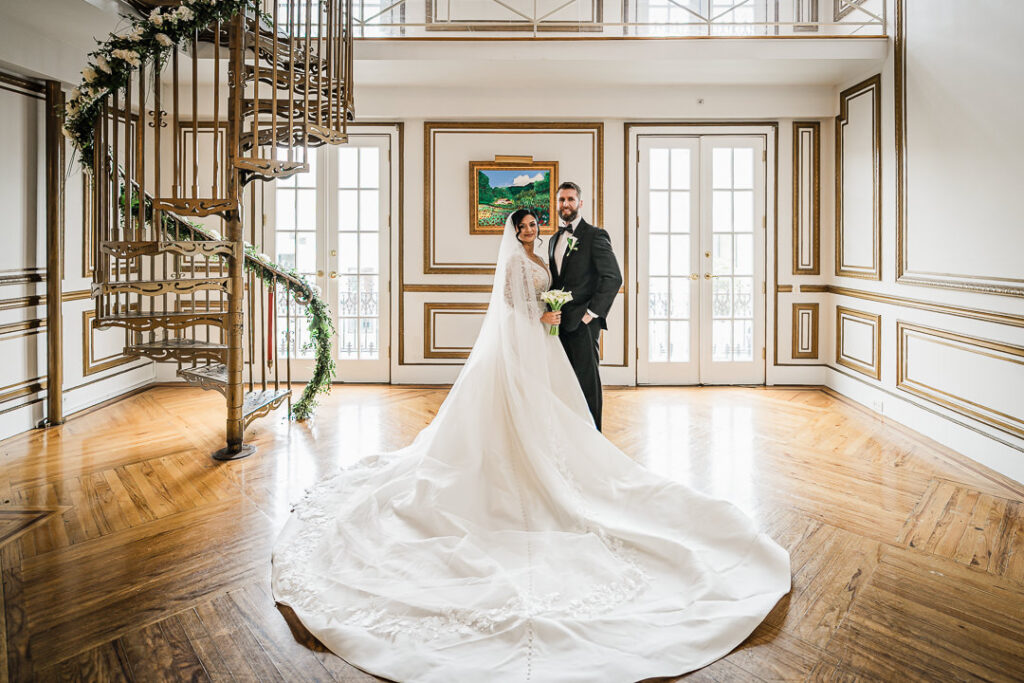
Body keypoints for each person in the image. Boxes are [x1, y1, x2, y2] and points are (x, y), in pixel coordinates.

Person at [272, 208, 790, 683]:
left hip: (544, 339)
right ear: (513, 231)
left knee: (557, 411)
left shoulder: (542, 254)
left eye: (533, 226)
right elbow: (508, 303)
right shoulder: (517, 262)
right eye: (523, 227)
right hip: (523, 339)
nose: (529, 231)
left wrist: (556, 311)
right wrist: (538, 317)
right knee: (514, 411)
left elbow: (567, 288)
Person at [548, 181, 621, 431]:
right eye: (561, 200)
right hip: (558, 326)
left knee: (587, 383)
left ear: (580, 203)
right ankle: (571, 437)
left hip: (582, 324)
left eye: (570, 199)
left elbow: (613, 277)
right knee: (564, 382)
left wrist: (590, 315)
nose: (565, 204)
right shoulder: (553, 239)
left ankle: (594, 438)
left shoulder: (595, 235)